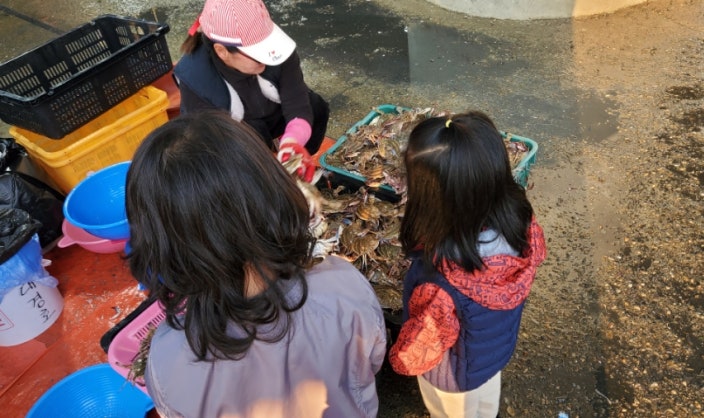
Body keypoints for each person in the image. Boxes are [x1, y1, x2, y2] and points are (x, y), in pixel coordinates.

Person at [125, 111, 387, 418]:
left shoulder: (167, 360)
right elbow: (373, 359)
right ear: (276, 191)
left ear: (159, 248)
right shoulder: (344, 285)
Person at [388, 111, 547, 418]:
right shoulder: (522, 224)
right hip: (492, 355)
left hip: (452, 378)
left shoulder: (440, 282)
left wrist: (395, 358)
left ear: (432, 201)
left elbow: (421, 348)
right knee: (485, 405)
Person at [174, 0, 329, 182]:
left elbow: (297, 104)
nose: (269, 56)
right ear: (222, 51)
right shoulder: (195, 80)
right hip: (237, 132)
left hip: (273, 114)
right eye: (257, 54)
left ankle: (293, 166)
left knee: (316, 107)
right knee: (253, 144)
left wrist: (292, 142)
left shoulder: (278, 50)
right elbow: (207, 144)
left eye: (268, 46)